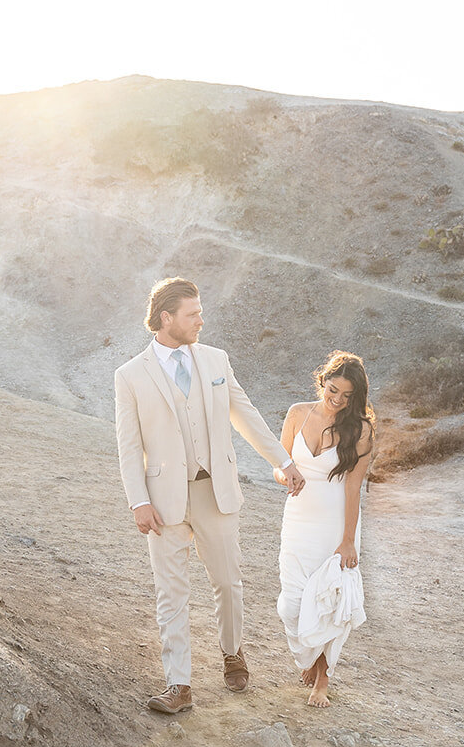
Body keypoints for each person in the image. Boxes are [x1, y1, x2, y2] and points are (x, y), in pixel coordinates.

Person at [115, 277, 304, 714]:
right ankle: (179, 684)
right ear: (166, 318)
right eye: (192, 314)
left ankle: (232, 653)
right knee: (171, 592)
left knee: (227, 582)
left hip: (215, 492)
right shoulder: (130, 375)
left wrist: (283, 460)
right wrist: (137, 500)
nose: (202, 320)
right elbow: (128, 445)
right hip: (163, 501)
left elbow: (247, 415)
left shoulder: (216, 360)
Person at [275, 351, 375, 707]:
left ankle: (323, 676)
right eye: (333, 390)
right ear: (322, 382)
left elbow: (353, 488)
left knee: (330, 600)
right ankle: (310, 659)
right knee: (293, 603)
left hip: (336, 523)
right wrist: (286, 475)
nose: (338, 400)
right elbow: (280, 463)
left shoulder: (360, 430)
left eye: (347, 396)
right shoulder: (297, 413)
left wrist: (348, 541)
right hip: (299, 518)